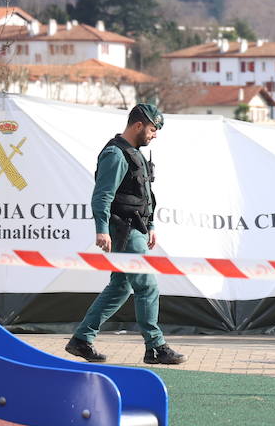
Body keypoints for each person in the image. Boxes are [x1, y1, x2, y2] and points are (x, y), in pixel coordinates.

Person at [65, 104, 185, 366]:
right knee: (147, 286)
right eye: (153, 129)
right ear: (138, 125)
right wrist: (101, 229)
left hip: (137, 229)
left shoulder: (135, 154)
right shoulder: (115, 154)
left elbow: (145, 195)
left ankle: (82, 340)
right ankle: (155, 346)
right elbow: (102, 196)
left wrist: (151, 225)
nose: (155, 135)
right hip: (125, 230)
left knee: (120, 287)